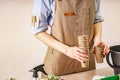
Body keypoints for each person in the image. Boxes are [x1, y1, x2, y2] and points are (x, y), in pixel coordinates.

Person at [31, 0, 109, 78]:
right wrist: (67, 50)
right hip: (59, 65)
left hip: (87, 63)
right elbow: (38, 31)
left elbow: (96, 19)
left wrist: (97, 41)